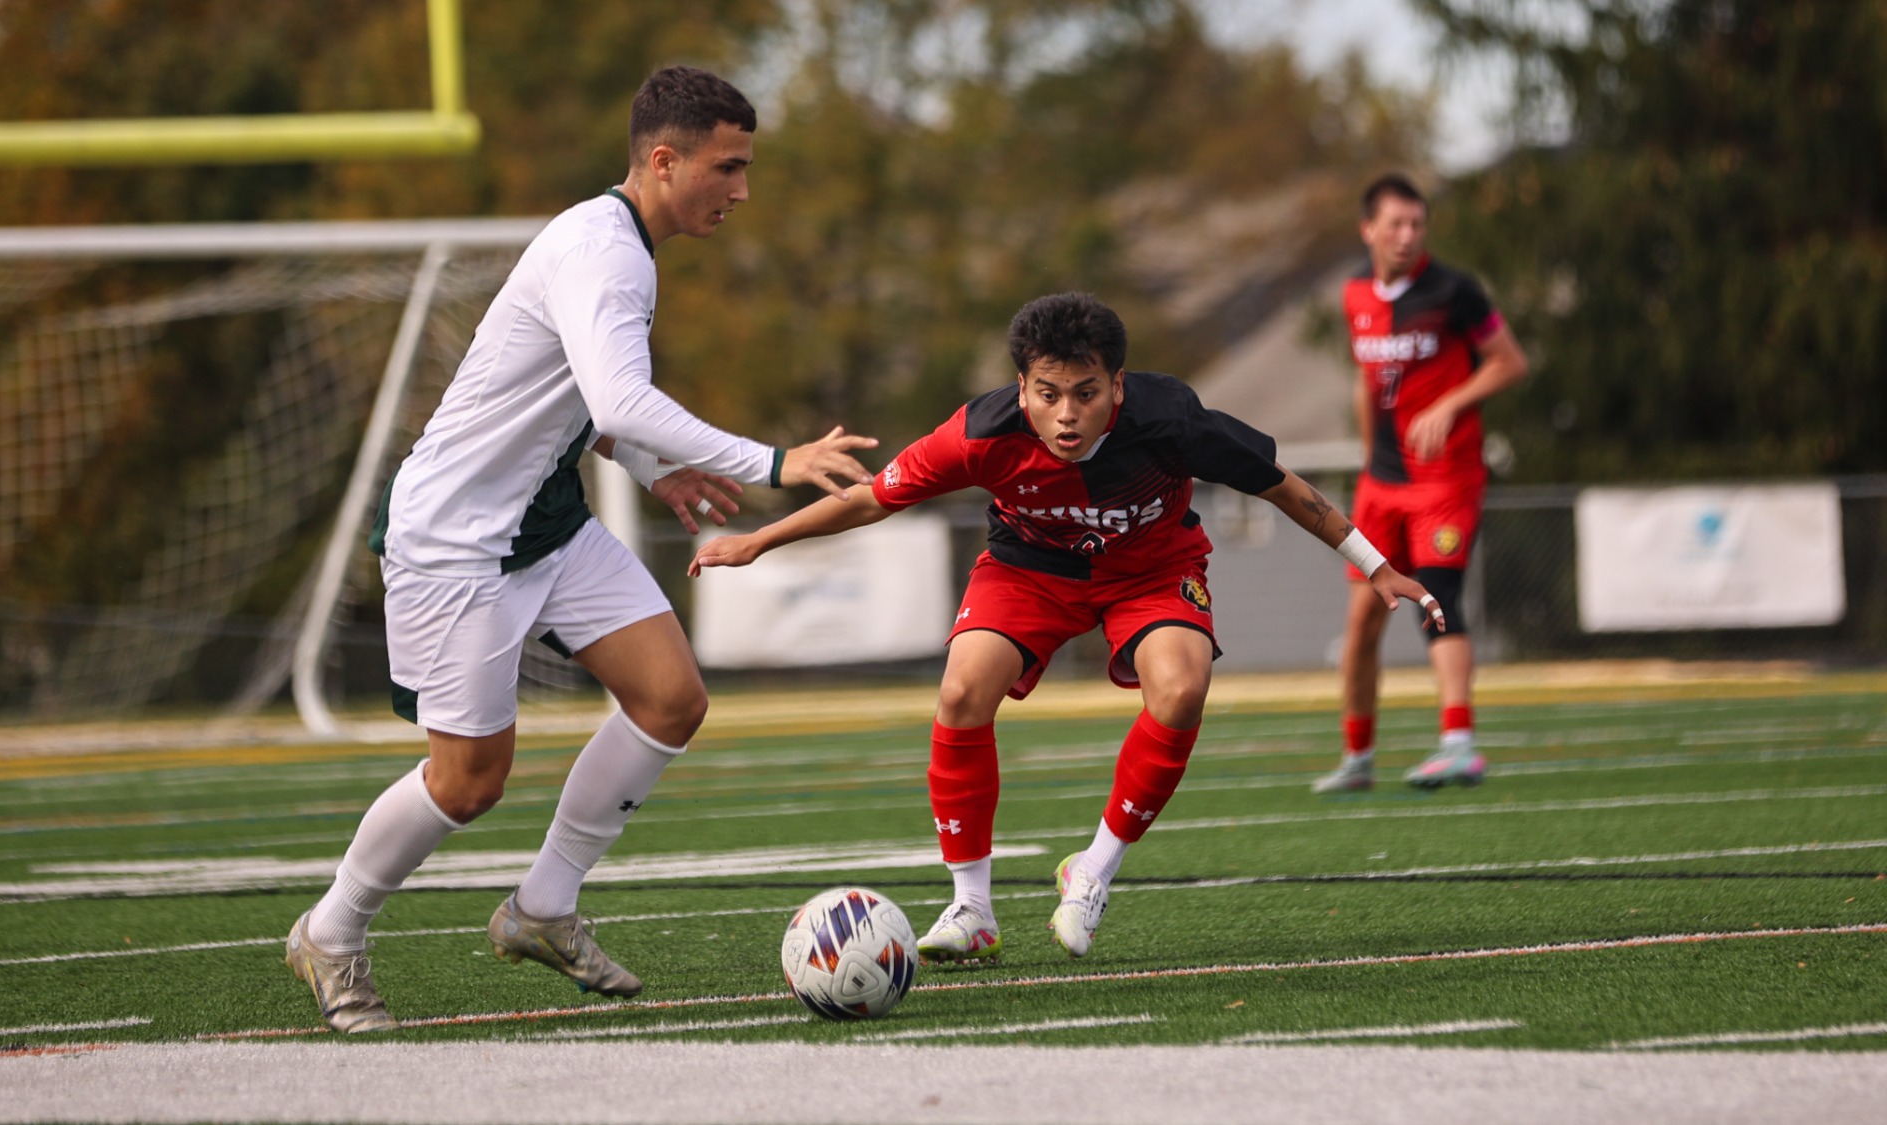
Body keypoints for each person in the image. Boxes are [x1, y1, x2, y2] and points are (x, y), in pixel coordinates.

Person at [285, 65, 877, 1034]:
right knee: (468, 781)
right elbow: (617, 401)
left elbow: (575, 404)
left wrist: (652, 470)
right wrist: (775, 458)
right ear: (662, 160)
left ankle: (542, 909)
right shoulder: (607, 254)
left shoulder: (611, 241)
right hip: (458, 539)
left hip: (543, 520)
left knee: (670, 698)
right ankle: (332, 933)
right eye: (727, 168)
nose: (740, 190)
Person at [690, 292, 1443, 963]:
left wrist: (1375, 565)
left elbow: (1286, 489)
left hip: (1151, 569)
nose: (1066, 414)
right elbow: (870, 500)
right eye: (1047, 394)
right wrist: (760, 540)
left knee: (1181, 691)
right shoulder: (979, 432)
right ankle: (971, 907)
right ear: (1022, 386)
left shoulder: (1172, 420)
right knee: (959, 691)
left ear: (1118, 384)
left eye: (1086, 393)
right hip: (1029, 570)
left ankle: (1093, 869)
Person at [1312, 174, 1529, 795]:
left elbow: (1510, 361)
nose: (1408, 235)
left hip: (1445, 479)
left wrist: (1450, 405)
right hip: (1382, 484)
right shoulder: (1355, 291)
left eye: (1417, 224)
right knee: (1361, 622)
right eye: (1396, 224)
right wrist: (1367, 457)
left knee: (1437, 596)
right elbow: (1364, 377)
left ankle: (1459, 744)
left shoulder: (1453, 290)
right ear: (1369, 230)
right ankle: (1358, 757)